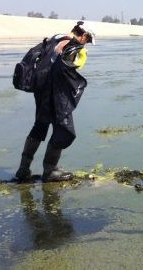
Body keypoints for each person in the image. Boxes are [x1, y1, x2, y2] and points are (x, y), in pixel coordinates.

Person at [15, 21, 95, 183]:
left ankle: (23, 169)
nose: (86, 43)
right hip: (55, 93)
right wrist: (79, 60)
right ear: (84, 35)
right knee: (65, 131)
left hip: (41, 90)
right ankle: (50, 170)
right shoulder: (72, 45)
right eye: (87, 40)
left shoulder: (55, 38)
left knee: (40, 125)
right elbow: (65, 67)